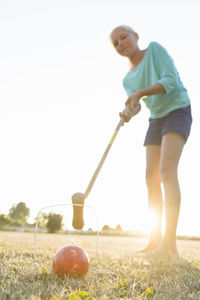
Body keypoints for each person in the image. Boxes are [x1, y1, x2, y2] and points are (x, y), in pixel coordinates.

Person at [110, 25, 192, 257]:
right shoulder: (128, 79)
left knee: (167, 173)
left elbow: (170, 81)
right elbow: (138, 105)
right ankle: (154, 240)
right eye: (115, 43)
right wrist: (129, 111)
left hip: (177, 110)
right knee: (150, 177)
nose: (120, 43)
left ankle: (170, 244)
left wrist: (138, 95)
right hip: (156, 119)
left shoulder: (155, 50)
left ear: (136, 36)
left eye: (123, 37)